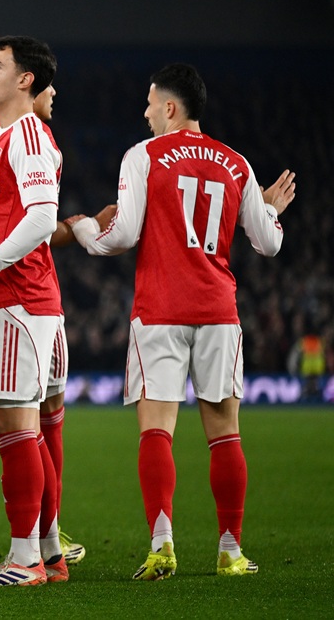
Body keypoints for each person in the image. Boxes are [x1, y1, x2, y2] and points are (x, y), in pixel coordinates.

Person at [68, 63, 294, 580]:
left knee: (157, 432)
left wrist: (81, 228)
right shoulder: (236, 163)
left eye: (151, 103)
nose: (146, 113)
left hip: (160, 311)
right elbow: (270, 243)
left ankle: (163, 545)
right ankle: (231, 551)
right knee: (225, 434)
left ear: (171, 107)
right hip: (217, 310)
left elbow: (121, 235)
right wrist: (269, 209)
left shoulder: (143, 156)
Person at [0, 83, 89, 578]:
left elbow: (37, 222)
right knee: (27, 422)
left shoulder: (18, 137)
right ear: (32, 83)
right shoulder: (6, 140)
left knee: (14, 424)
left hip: (11, 296)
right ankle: (35, 544)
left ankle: (33, 547)